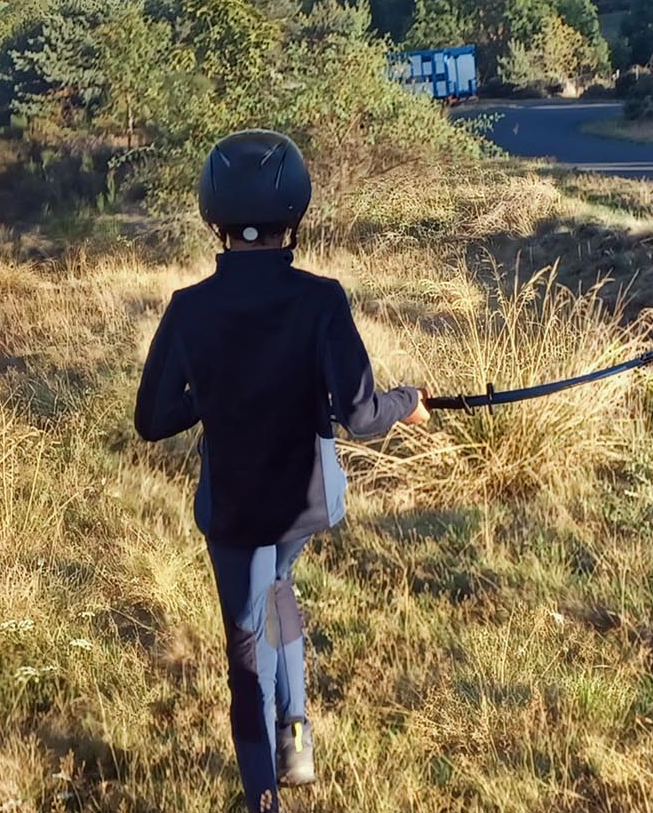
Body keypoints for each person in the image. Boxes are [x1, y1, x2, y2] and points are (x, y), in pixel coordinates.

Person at [135, 130, 429, 812]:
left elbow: (151, 419)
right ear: (295, 213)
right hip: (306, 503)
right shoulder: (323, 300)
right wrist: (409, 401)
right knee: (280, 589)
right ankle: (294, 735)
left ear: (213, 217)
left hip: (235, 511)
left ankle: (264, 791)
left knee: (246, 662)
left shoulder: (189, 309)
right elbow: (359, 415)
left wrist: (212, 398)